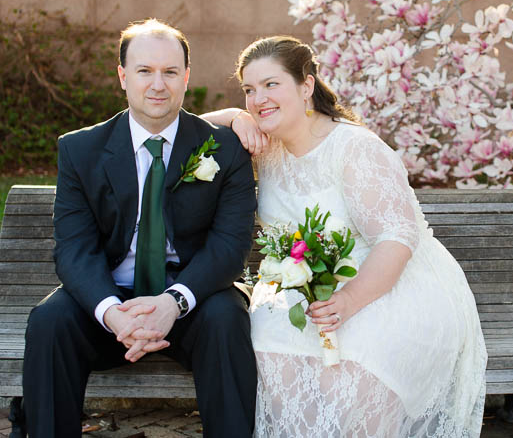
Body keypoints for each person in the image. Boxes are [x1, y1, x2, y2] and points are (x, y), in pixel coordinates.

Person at [204, 36, 487, 437]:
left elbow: (396, 237)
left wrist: (349, 300)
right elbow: (192, 126)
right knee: (269, 346)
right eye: (249, 90)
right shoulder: (266, 146)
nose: (258, 98)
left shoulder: (353, 148)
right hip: (304, 285)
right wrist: (235, 117)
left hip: (388, 284)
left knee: (358, 355)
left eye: (271, 84)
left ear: (306, 86)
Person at [22, 19, 258, 437]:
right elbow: (75, 249)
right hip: (111, 302)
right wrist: (113, 314)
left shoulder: (225, 150)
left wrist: (173, 302)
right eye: (144, 71)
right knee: (49, 322)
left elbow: (229, 246)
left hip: (191, 299)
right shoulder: (80, 150)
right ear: (122, 76)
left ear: (186, 77)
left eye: (170, 72)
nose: (158, 84)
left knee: (227, 319)